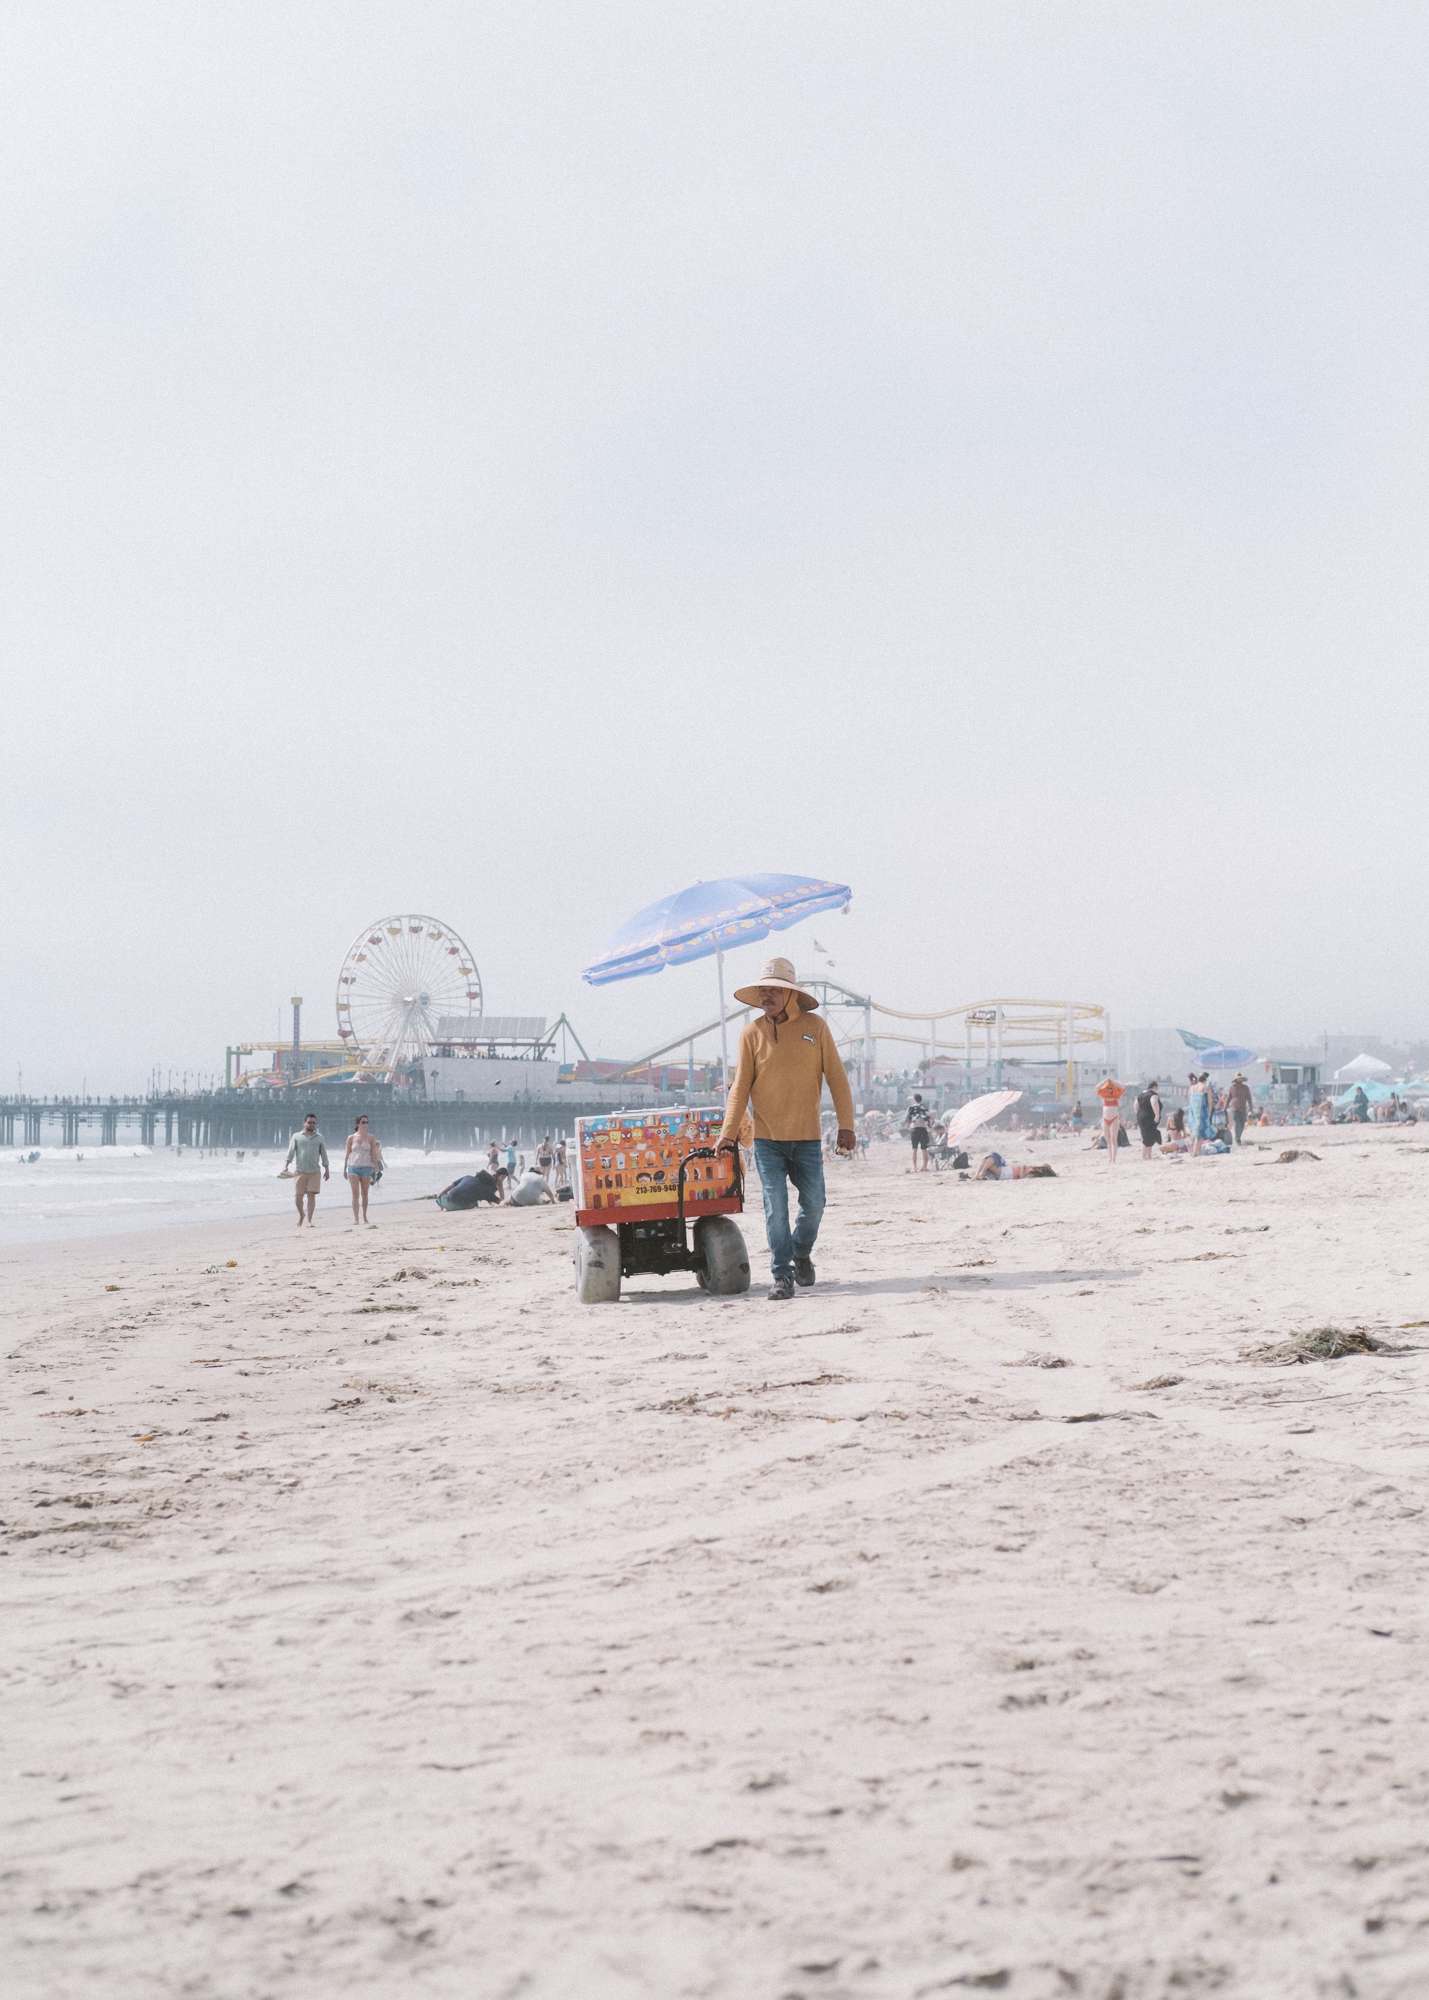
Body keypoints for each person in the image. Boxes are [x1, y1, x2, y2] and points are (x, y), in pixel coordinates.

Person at [717, 956, 855, 1301]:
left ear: (791, 994)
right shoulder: (751, 1034)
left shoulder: (816, 1028)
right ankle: (782, 1275)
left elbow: (837, 1079)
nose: (767, 995)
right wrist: (727, 1133)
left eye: (774, 990)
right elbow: (740, 1087)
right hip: (767, 1140)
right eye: (763, 990)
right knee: (775, 1207)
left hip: (807, 1137)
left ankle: (801, 1251)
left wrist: (846, 1125)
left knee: (815, 1206)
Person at [282, 1112, 329, 1227]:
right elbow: (291, 1151)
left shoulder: (320, 1138)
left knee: (311, 1196)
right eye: (309, 1122)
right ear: (304, 1123)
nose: (311, 1124)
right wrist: (286, 1165)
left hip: (314, 1172)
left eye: (313, 1123)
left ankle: (309, 1220)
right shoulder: (296, 1136)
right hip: (300, 1171)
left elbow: (323, 1154)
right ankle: (301, 1214)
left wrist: (327, 1168)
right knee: (298, 1197)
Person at [343, 1113, 383, 1225]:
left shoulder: (371, 1137)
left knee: (364, 1194)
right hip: (353, 1168)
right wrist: (344, 1169)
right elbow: (347, 1154)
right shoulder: (351, 1138)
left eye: (367, 1122)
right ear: (358, 1124)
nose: (365, 1124)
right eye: (363, 1122)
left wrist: (376, 1169)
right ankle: (356, 1218)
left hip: (366, 1167)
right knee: (355, 1194)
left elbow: (374, 1154)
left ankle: (365, 1217)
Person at [1095, 1072, 1126, 1168]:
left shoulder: (1117, 1095)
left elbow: (1123, 1087)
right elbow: (1096, 1087)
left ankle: (1114, 1159)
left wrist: (1113, 1081)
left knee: (1113, 1138)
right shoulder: (1103, 1094)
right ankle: (1109, 1158)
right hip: (1105, 1118)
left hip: (1114, 1118)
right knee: (1108, 1139)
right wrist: (1105, 1080)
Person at [903, 1091, 933, 1172]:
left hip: (914, 1129)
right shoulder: (924, 1107)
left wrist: (907, 1125)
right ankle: (924, 1167)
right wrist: (930, 1126)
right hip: (923, 1129)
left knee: (914, 1149)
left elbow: (906, 1119)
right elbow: (930, 1117)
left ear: (914, 1099)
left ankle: (915, 1167)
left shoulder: (911, 1107)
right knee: (924, 1149)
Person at [1134, 1080, 1163, 1160]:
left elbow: (1135, 1105)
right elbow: (1154, 1103)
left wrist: (1138, 1114)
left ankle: (1148, 1155)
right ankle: (1144, 1156)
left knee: (1146, 1135)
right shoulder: (1153, 1095)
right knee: (1148, 1137)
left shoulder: (1140, 1095)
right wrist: (1157, 1115)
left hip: (1141, 1117)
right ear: (1154, 1087)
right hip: (1149, 1117)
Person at [1186, 1072, 1211, 1156]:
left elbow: (1189, 1099)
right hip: (1201, 1111)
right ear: (1205, 1080)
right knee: (1200, 1133)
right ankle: (1195, 1152)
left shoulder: (1192, 1087)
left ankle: (1193, 1151)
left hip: (1192, 1112)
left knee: (1194, 1130)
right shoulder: (1205, 1087)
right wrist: (1209, 1113)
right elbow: (1210, 1102)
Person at [1225, 1073, 1254, 1146]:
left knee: (1242, 1124)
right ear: (1236, 1079)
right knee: (1237, 1123)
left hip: (1243, 1109)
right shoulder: (1232, 1087)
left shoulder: (1245, 1088)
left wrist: (1251, 1109)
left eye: (1241, 1078)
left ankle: (1238, 1137)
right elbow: (1229, 1098)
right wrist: (1225, 1107)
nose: (1240, 1079)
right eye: (1238, 1078)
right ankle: (1237, 1139)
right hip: (1234, 1108)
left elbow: (1249, 1098)